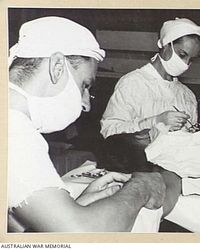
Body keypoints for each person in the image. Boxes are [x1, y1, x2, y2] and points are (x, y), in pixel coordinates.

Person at [8, 16, 167, 232]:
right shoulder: (13, 130)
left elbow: (20, 236)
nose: (86, 105)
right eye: (85, 86)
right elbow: (82, 236)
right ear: (57, 67)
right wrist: (141, 187)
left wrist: (78, 206)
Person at [100, 17, 200, 140]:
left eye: (191, 59)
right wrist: (154, 122)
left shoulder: (187, 95)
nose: (186, 64)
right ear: (165, 44)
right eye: (182, 55)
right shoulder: (133, 83)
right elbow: (109, 131)